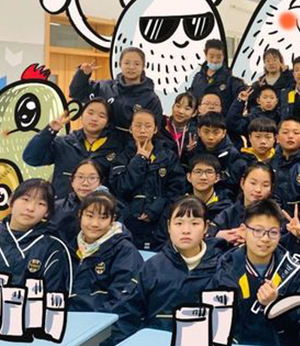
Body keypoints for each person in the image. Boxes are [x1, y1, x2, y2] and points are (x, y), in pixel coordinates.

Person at [111, 197, 223, 342]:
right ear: (169, 226)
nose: (186, 230)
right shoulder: (152, 267)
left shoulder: (222, 267)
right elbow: (127, 314)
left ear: (206, 227)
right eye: (179, 223)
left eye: (194, 223)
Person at [211, 199, 300, 346]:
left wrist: (276, 305)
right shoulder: (226, 268)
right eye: (258, 231)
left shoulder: (293, 271)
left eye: (273, 232)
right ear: (244, 231)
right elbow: (218, 325)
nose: (265, 239)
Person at [0, 178, 72, 298]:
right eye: (25, 199)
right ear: (11, 200)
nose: (30, 208)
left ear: (47, 212)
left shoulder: (53, 249)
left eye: (41, 204)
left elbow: (54, 298)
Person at [110, 109, 187, 250]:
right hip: (128, 223)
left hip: (160, 224)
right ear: (130, 129)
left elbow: (177, 190)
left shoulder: (168, 156)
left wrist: (156, 208)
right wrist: (139, 159)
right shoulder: (121, 157)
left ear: (155, 129)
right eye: (138, 125)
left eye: (148, 126)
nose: (142, 130)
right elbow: (121, 188)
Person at [23, 97, 124, 200]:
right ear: (81, 115)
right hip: (63, 206)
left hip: (98, 207)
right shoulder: (64, 143)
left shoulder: (117, 148)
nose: (94, 118)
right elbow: (31, 158)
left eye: (101, 116)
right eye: (90, 113)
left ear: (107, 122)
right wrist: (49, 131)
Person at [69, 191, 142, 312]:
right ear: (80, 215)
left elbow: (122, 300)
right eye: (90, 216)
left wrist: (98, 319)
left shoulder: (125, 251)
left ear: (112, 219)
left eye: (103, 218)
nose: (95, 224)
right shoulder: (69, 247)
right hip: (66, 316)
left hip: (103, 319)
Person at [70, 47, 163, 131]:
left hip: (131, 143)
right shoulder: (104, 87)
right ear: (120, 64)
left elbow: (154, 129)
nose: (131, 67)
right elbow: (77, 93)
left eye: (137, 64)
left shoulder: (151, 99)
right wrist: (82, 75)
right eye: (127, 63)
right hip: (101, 140)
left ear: (143, 66)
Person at [211, 163, 275, 246]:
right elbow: (209, 233)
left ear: (271, 188)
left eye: (265, 185)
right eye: (253, 183)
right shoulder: (229, 213)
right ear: (242, 183)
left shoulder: (275, 215)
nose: (258, 189)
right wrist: (219, 236)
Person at [49, 159, 110, 243]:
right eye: (80, 177)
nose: (85, 183)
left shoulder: (112, 209)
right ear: (72, 181)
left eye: (92, 178)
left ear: (100, 182)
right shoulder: (56, 207)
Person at [181, 112, 237, 198]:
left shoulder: (232, 154)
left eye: (216, 133)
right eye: (206, 132)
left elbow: (232, 185)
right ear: (199, 131)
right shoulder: (192, 150)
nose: (210, 137)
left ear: (224, 133)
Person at [188, 38, 246, 115]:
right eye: (211, 56)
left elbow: (245, 93)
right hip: (199, 120)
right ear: (205, 55)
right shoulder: (198, 78)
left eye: (219, 57)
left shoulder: (230, 80)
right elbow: (190, 98)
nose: (215, 60)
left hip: (221, 120)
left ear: (223, 56)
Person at [229, 116, 278, 182]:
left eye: (268, 137)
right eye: (257, 137)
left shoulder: (280, 161)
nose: (263, 141)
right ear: (250, 138)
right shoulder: (241, 163)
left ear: (275, 139)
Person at [160, 92, 198, 160]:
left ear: (194, 113)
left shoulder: (194, 133)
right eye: (178, 106)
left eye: (187, 109)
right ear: (172, 107)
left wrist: (190, 152)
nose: (181, 111)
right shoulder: (160, 125)